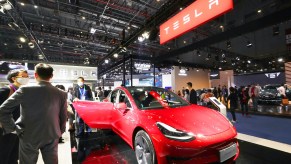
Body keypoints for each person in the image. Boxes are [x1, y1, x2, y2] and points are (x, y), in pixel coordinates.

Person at [0, 63, 67, 164]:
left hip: (28, 134)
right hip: (52, 134)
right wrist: (59, 131)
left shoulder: (25, 90)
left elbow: (3, 109)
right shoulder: (61, 93)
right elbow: (63, 115)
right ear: (51, 76)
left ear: (35, 75)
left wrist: (13, 128)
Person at [0, 69, 29, 164]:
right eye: (23, 76)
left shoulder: (22, 92)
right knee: (4, 154)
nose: (26, 78)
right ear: (14, 78)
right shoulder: (6, 90)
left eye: (27, 76)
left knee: (14, 155)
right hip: (5, 129)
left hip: (17, 128)